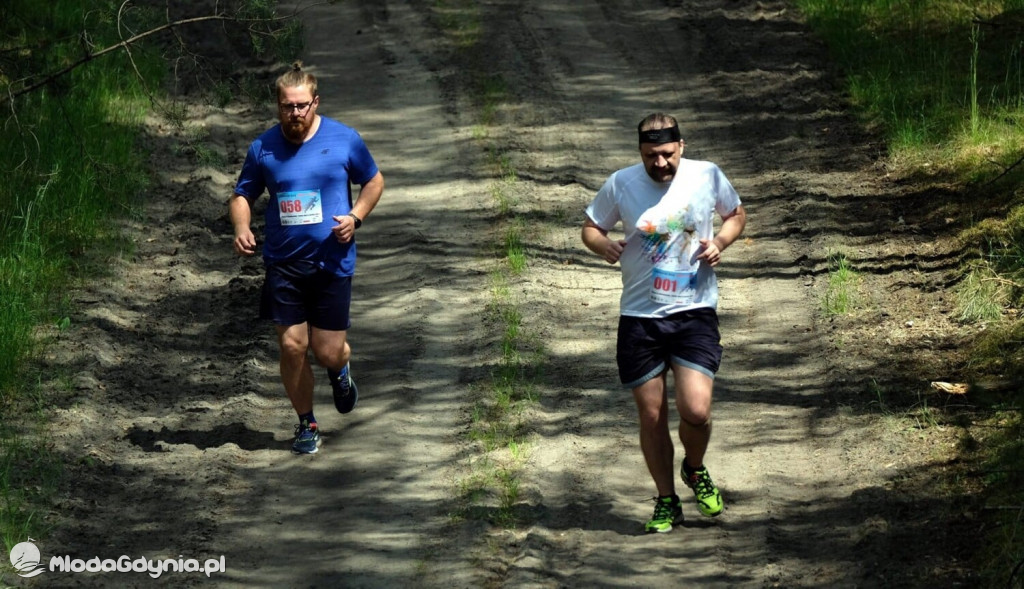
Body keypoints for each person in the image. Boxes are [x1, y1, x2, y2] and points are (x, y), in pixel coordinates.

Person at [581, 113, 747, 533]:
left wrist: (721, 242)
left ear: (682, 147)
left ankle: (694, 468)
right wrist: (602, 244)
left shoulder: (707, 175)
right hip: (640, 317)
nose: (660, 163)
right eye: (651, 155)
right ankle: (666, 500)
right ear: (640, 150)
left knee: (696, 408)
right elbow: (590, 226)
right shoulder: (621, 183)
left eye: (667, 154)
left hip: (694, 311)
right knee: (651, 414)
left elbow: (737, 214)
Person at [229, 63, 384, 454]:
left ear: (315, 102)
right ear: (277, 106)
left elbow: (374, 180)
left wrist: (355, 217)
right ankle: (306, 423)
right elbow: (242, 195)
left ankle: (340, 368)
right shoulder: (262, 148)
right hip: (284, 263)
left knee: (327, 350)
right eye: (287, 106)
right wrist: (241, 227)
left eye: (301, 106)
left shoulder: (344, 139)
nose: (294, 113)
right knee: (294, 347)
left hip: (331, 261)